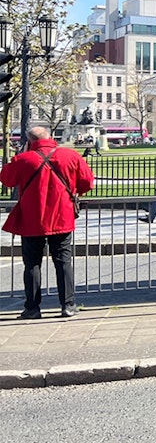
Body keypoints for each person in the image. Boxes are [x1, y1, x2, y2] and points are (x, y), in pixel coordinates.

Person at [1, 127, 95, 319]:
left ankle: (32, 308)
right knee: (63, 262)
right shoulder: (70, 155)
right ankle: (68, 305)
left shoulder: (23, 159)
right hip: (62, 216)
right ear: (51, 137)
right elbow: (87, 182)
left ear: (29, 141)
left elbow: (6, 179)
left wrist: (20, 154)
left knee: (32, 264)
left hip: (32, 219)